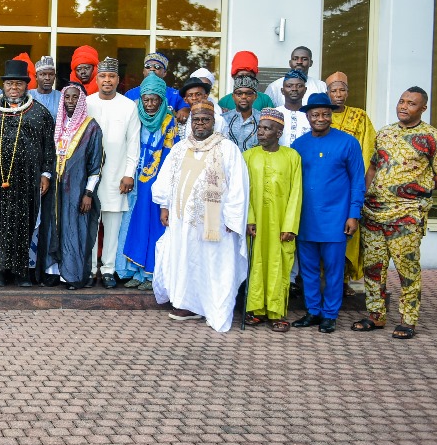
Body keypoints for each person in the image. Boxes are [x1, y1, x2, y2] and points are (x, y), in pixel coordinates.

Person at [356, 87, 437, 340]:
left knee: (406, 269)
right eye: (401, 101)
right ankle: (375, 316)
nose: (403, 106)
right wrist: (362, 198)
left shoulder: (433, 137)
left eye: (411, 103)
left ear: (422, 108)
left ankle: (408, 320)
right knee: (373, 267)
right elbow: (373, 168)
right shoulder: (385, 133)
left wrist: (415, 188)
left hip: (407, 216)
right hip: (374, 212)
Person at [152, 102, 249, 332]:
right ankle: (187, 305)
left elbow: (239, 188)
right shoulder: (180, 148)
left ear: (214, 122)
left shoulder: (227, 149)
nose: (200, 124)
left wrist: (233, 219)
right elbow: (166, 180)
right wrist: (164, 206)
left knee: (213, 265)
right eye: (196, 120)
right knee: (185, 260)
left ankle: (213, 308)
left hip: (216, 225)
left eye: (205, 119)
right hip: (182, 223)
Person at [288, 93, 365, 333]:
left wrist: (353, 214)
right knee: (308, 270)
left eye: (325, 114)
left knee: (333, 270)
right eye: (315, 114)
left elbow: (358, 181)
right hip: (306, 218)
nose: (320, 118)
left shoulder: (348, 142)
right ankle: (313, 312)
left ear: (331, 116)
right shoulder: (298, 145)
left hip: (336, 220)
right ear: (308, 117)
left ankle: (330, 314)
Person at [0, 59, 55, 287]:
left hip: (28, 181)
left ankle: (23, 270)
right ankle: (0, 269)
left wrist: (46, 174)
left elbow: (49, 148)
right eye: (10, 84)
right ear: (3, 86)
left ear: (26, 86)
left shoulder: (40, 114)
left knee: (27, 223)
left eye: (19, 84)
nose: (14, 88)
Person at [36, 81, 103, 289]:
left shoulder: (91, 127)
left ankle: (71, 276)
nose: (71, 101)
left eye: (75, 97)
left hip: (77, 190)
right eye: (67, 97)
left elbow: (96, 164)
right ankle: (53, 273)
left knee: (73, 230)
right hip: (55, 190)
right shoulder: (58, 123)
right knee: (52, 228)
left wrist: (88, 193)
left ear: (82, 100)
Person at [243, 108, 303, 331]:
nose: (261, 132)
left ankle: (277, 312)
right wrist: (249, 219)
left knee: (279, 265)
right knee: (256, 265)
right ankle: (257, 310)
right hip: (256, 224)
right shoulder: (248, 156)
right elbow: (244, 192)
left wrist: (290, 226)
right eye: (260, 127)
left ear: (279, 133)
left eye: (267, 129)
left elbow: (296, 193)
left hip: (280, 224)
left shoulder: (292, 157)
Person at [120, 74, 180, 290]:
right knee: (136, 224)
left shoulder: (169, 121)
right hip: (136, 180)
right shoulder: (137, 116)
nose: (150, 104)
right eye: (146, 99)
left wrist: (161, 182)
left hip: (157, 182)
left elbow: (171, 154)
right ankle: (135, 271)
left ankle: (151, 273)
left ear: (162, 99)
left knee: (155, 224)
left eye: (154, 99)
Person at [85, 57, 141, 289]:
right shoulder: (86, 103)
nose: (107, 80)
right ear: (96, 79)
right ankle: (88, 270)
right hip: (89, 177)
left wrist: (129, 173)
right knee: (89, 225)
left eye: (111, 76)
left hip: (117, 176)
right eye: (103, 76)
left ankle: (108, 269)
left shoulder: (128, 106)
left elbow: (133, 143)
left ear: (118, 80)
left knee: (112, 225)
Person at [326, 71, 377, 289]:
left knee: (349, 232)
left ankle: (344, 279)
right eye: (333, 90)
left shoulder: (360, 116)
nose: (338, 94)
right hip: (327, 185)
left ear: (348, 92)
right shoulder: (321, 114)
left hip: (351, 184)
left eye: (342, 90)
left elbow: (369, 149)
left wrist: (361, 181)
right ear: (327, 93)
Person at [124, 53, 191, 121]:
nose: (152, 69)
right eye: (148, 66)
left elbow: (186, 107)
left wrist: (185, 110)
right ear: (143, 71)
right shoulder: (130, 94)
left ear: (164, 73)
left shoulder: (175, 95)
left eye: (157, 67)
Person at [263, 46, 328, 106]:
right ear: (290, 63)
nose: (299, 62)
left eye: (304, 59)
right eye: (295, 59)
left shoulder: (321, 86)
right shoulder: (274, 87)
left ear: (311, 63)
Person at [221, 75, 261, 152]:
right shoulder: (223, 119)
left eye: (248, 93)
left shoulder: (262, 119)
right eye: (239, 94)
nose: (243, 97)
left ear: (255, 96)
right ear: (233, 96)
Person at [275, 70, 311, 147]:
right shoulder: (274, 113)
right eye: (289, 86)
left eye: (299, 86)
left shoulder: (311, 114)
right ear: (282, 91)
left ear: (305, 90)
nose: (294, 89)